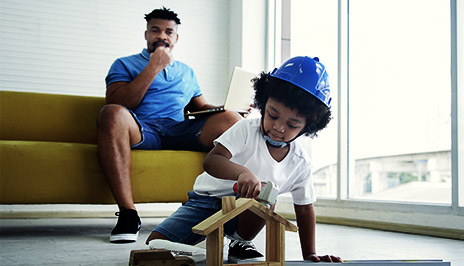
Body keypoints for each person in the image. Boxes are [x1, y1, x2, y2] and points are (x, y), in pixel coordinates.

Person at [146, 56, 343, 263]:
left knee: (266, 194)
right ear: (263, 103)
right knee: (153, 247)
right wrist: (243, 173)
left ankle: (240, 242)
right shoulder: (245, 129)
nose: (279, 128)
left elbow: (304, 208)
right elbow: (212, 161)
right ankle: (202, 248)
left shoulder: (300, 162)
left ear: (307, 127)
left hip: (246, 215)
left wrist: (309, 254)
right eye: (272, 115)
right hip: (204, 203)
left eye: (292, 125)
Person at [97, 7, 242, 243]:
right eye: (155, 30)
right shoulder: (125, 64)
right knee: (111, 113)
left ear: (176, 38)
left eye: (168, 31)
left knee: (232, 119)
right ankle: (128, 214)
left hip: (178, 130)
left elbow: (200, 107)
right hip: (142, 129)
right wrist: (154, 66)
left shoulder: (187, 71)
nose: (162, 36)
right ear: (146, 34)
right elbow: (119, 102)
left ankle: (230, 215)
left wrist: (229, 108)